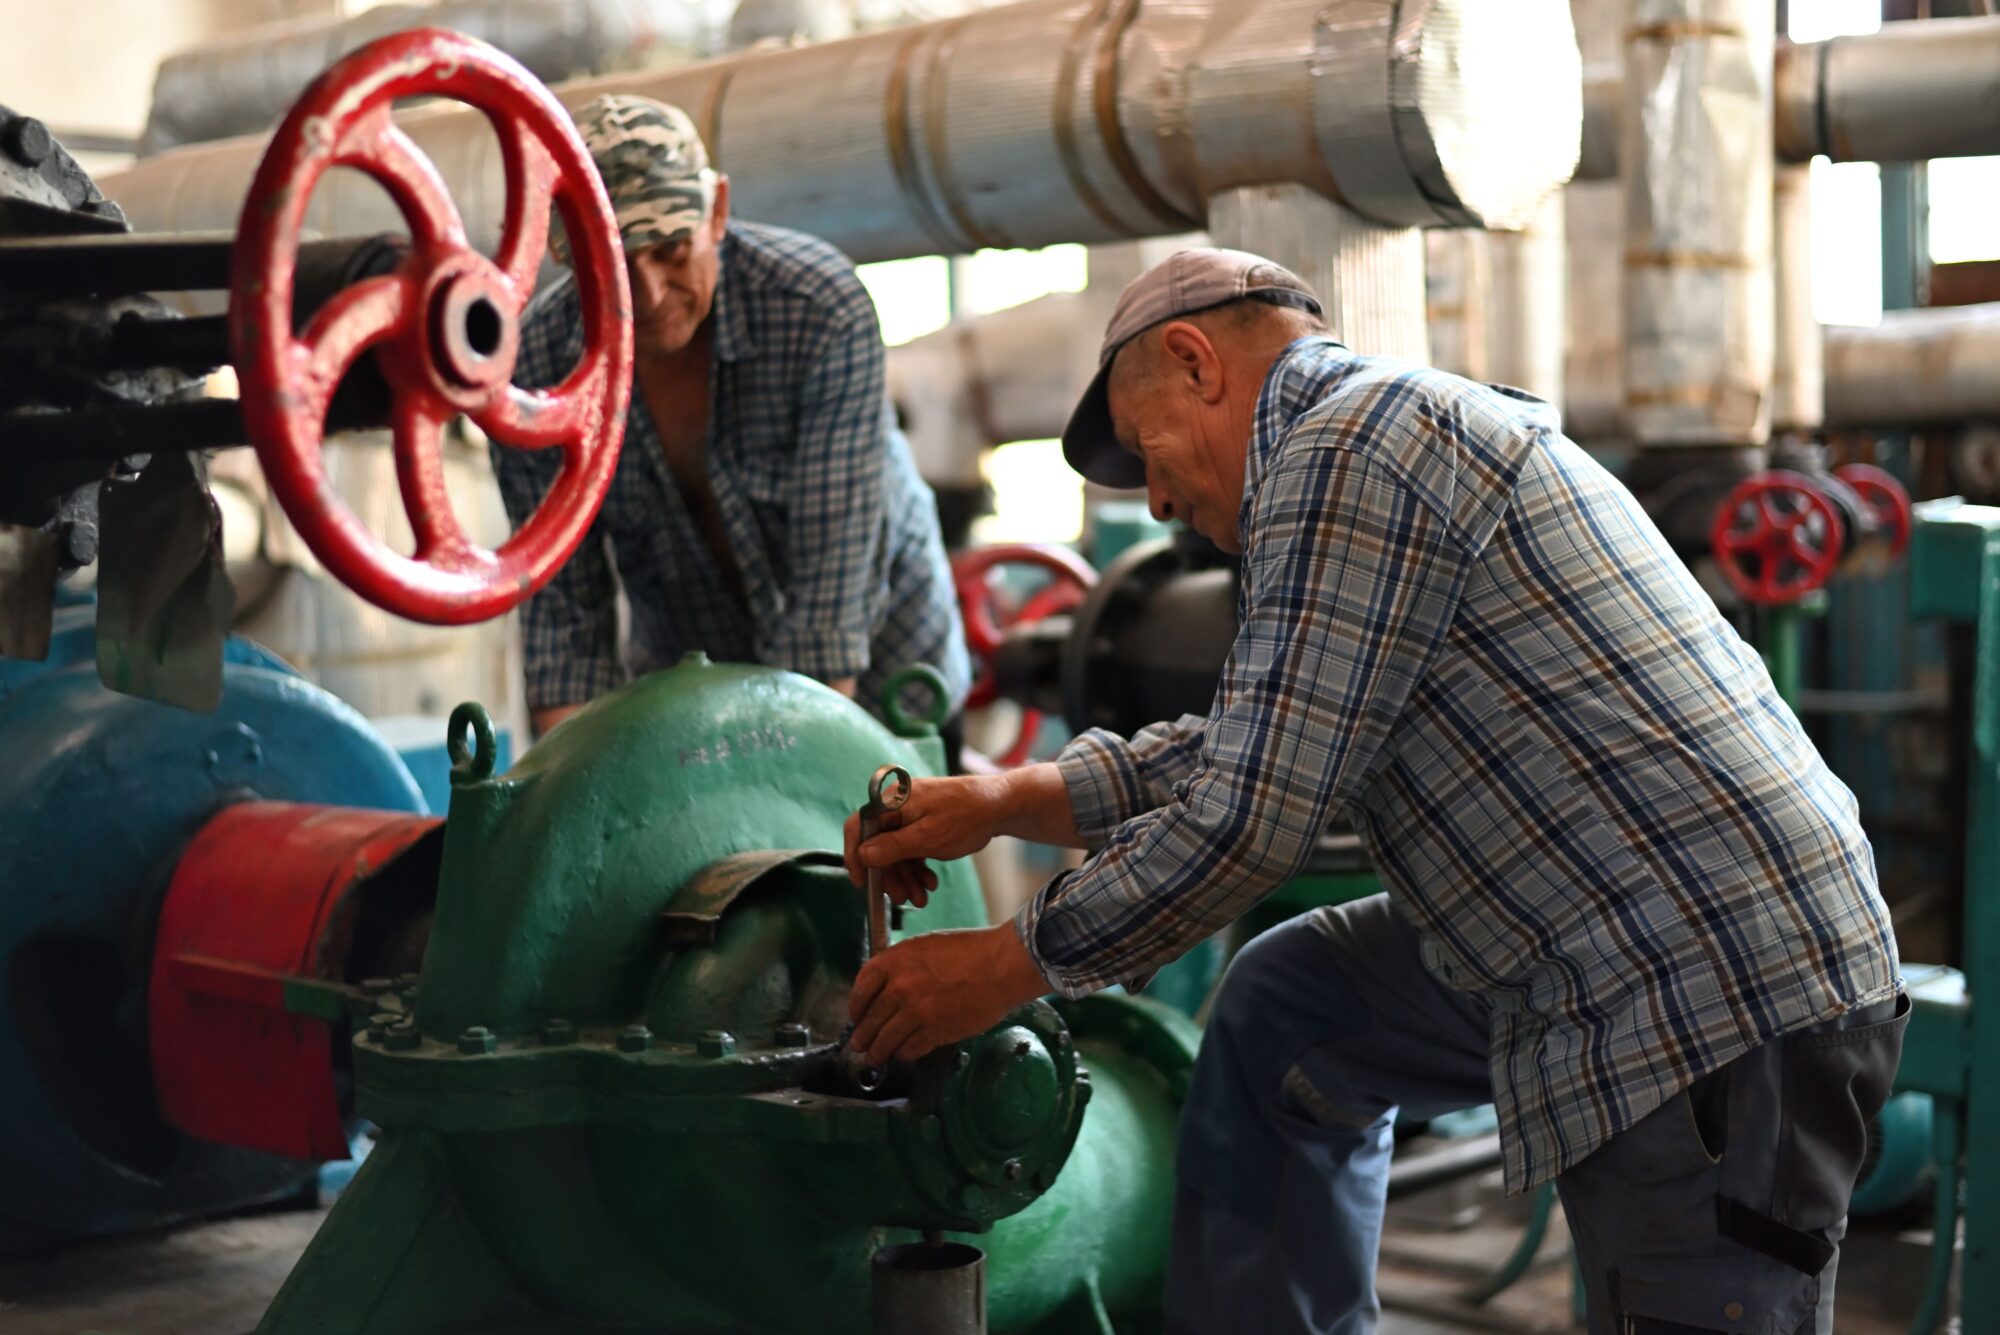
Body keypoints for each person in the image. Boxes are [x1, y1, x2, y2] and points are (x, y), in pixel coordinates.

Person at [841, 248, 1906, 1333]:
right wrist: (1004, 799)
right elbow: (1257, 746)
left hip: (1706, 980)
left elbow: (1252, 817)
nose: (1156, 496)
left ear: (1193, 359)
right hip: (1580, 945)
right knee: (1293, 1005)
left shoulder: (1354, 445)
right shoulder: (1357, 449)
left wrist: (1004, 967)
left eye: (1148, 451)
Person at [497, 95, 969, 748]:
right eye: (613, 268)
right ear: (562, 253)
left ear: (716, 210)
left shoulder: (818, 313)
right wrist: (583, 795)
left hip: (881, 687)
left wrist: (786, 792)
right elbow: (563, 624)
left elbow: (825, 619)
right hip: (691, 703)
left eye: (671, 249)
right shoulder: (538, 367)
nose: (651, 294)